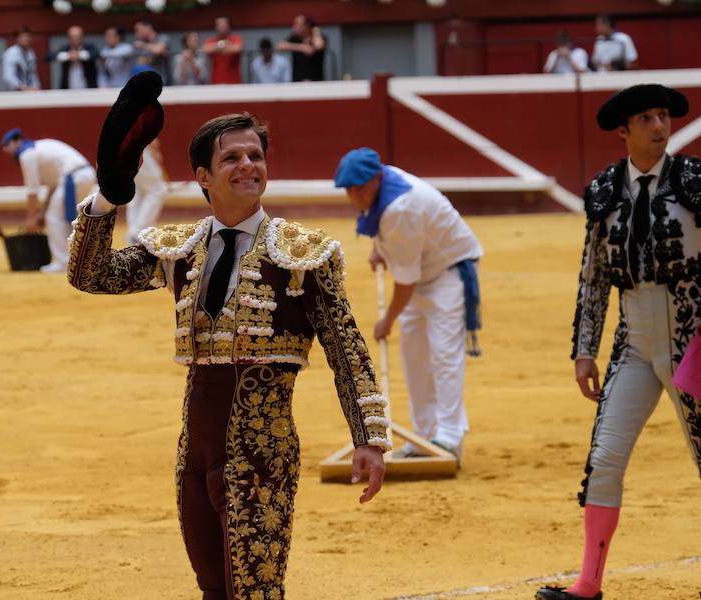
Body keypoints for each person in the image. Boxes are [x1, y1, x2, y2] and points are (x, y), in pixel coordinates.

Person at [68, 73, 389, 599]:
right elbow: (92, 275)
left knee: (255, 592)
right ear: (203, 176)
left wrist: (369, 438)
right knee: (212, 589)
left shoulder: (304, 252)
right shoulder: (179, 247)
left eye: (255, 156)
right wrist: (108, 197)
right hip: (193, 454)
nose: (248, 166)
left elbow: (347, 349)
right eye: (232, 159)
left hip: (262, 457)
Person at [535, 84, 701, 600]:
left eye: (662, 116)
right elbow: (593, 276)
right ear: (624, 131)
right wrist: (585, 349)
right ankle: (588, 584)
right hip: (633, 340)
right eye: (646, 119)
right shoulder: (605, 189)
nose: (659, 126)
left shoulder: (697, 181)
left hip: (693, 336)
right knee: (604, 458)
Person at [335, 148, 483, 463]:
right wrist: (381, 248)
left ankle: (448, 439)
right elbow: (392, 238)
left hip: (450, 272)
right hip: (424, 269)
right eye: (349, 190)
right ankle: (423, 436)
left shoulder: (401, 207)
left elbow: (405, 282)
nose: (355, 196)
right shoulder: (384, 186)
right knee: (415, 356)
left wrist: (387, 319)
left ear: (376, 178)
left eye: (360, 188)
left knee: (444, 355)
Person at [0, 128, 95, 273]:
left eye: (8, 145)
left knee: (54, 217)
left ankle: (63, 262)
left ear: (18, 141)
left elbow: (33, 191)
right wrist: (41, 213)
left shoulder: (27, 154)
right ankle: (78, 259)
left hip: (73, 178)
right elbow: (53, 187)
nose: (6, 149)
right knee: (63, 218)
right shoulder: (39, 149)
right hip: (83, 175)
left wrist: (31, 219)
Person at [125, 139, 169, 245]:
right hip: (138, 148)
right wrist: (154, 149)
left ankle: (134, 232)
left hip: (122, 149)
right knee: (158, 190)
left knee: (138, 191)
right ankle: (138, 232)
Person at [277, 15, 327, 82]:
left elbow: (319, 46)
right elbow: (280, 46)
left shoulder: (318, 37)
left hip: (315, 81)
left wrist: (316, 32)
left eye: (297, 24)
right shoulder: (294, 38)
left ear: (306, 26)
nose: (294, 27)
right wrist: (302, 47)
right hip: (298, 81)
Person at [48, 25, 99, 90]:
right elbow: (49, 56)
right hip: (68, 90)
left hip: (88, 89)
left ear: (82, 37)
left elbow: (96, 54)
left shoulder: (89, 47)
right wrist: (68, 56)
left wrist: (79, 55)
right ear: (68, 38)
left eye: (77, 36)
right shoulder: (65, 48)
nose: (75, 39)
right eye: (72, 37)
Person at [202, 16, 243, 84]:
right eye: (219, 25)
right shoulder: (211, 40)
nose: (222, 27)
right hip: (216, 82)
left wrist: (216, 49)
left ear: (228, 26)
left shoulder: (236, 38)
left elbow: (237, 48)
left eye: (224, 25)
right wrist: (222, 44)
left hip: (234, 83)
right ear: (216, 27)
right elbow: (206, 49)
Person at [132, 19, 170, 85]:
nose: (137, 33)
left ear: (148, 27)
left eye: (138, 29)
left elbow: (158, 50)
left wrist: (142, 45)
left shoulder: (162, 37)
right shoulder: (141, 44)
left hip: (163, 82)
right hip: (147, 83)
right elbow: (140, 62)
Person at [2, 26, 40, 91]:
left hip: (30, 92)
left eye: (28, 36)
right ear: (17, 38)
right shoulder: (11, 53)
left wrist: (36, 87)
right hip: (15, 93)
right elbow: (8, 76)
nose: (26, 39)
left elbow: (32, 74)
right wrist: (23, 88)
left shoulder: (30, 53)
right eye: (23, 36)